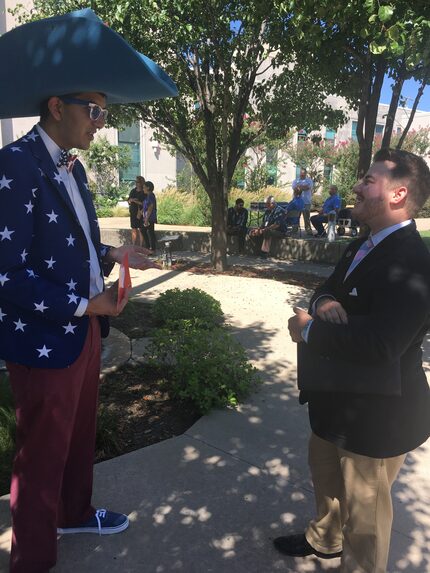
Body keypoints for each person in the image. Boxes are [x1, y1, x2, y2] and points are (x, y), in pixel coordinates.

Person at [0, 8, 177, 573]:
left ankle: (74, 512)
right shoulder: (15, 166)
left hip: (84, 331)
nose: (102, 120)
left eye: (105, 111)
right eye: (94, 109)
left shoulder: (72, 170)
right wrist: (83, 303)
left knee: (78, 436)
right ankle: (33, 557)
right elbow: (7, 272)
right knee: (42, 454)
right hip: (46, 337)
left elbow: (74, 243)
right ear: (58, 107)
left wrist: (115, 256)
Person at [276, 148, 430, 573]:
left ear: (398, 193)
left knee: (366, 518)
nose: (357, 186)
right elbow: (326, 289)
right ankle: (324, 540)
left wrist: (307, 328)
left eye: (368, 180)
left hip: (378, 414)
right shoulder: (364, 242)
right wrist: (324, 301)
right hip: (336, 398)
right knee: (325, 478)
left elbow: (383, 345)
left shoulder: (415, 262)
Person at [292, 168, 314, 236]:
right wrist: (302, 187)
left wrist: (299, 187)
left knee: (306, 217)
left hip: (306, 202)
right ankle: (294, 230)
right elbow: (295, 189)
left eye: (303, 174)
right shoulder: (296, 180)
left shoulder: (309, 180)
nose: (302, 175)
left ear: (305, 174)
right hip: (297, 201)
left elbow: (308, 188)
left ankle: (308, 231)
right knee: (296, 216)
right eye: (301, 173)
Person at [128, 175, 145, 245]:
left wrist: (135, 201)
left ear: (141, 183)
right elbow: (129, 200)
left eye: (137, 182)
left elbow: (145, 204)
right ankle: (133, 245)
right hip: (133, 212)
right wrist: (130, 200)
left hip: (141, 213)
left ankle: (141, 246)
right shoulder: (133, 191)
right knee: (134, 228)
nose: (136, 183)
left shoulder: (144, 192)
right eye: (136, 182)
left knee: (141, 229)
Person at [141, 180, 158, 254]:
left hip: (150, 217)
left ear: (148, 188)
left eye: (144, 187)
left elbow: (150, 207)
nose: (143, 189)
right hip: (147, 217)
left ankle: (151, 248)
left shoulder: (150, 195)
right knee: (146, 231)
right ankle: (149, 248)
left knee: (148, 232)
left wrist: (146, 218)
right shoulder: (148, 196)